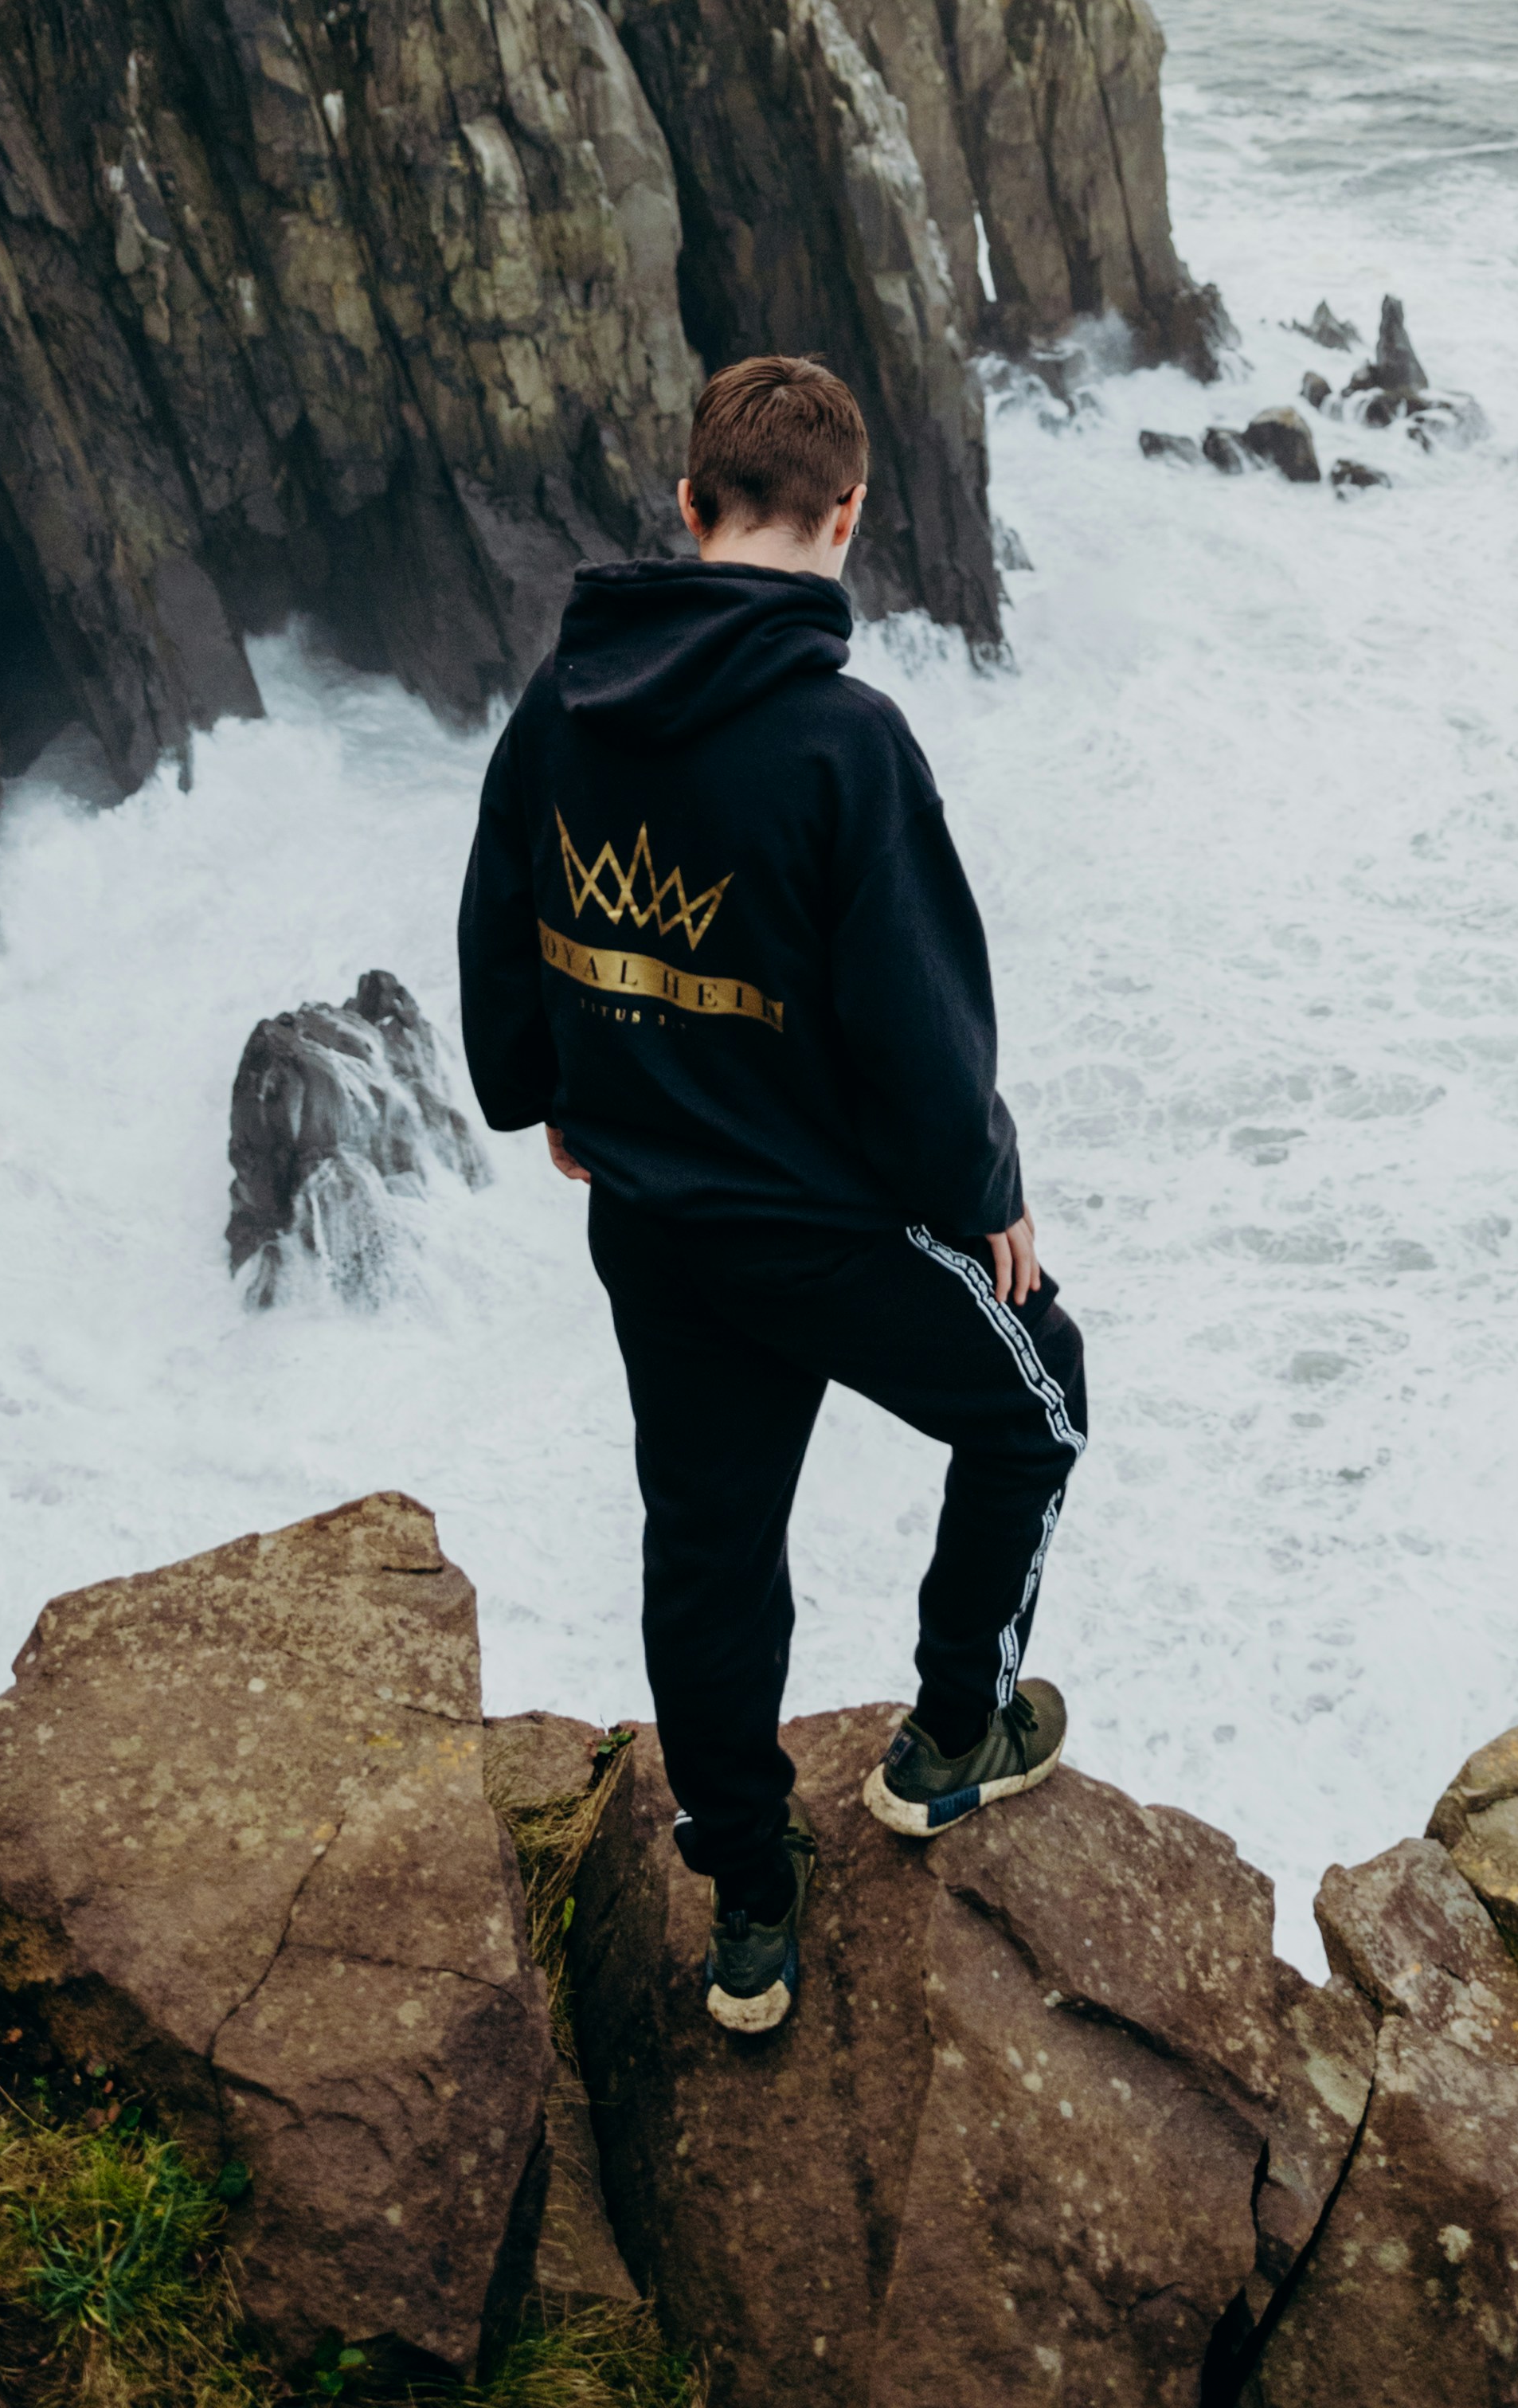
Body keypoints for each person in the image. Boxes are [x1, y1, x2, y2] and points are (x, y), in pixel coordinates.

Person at [456, 350, 1086, 2038]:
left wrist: (546, 1095)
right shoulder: (843, 741)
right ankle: (954, 1740)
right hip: (827, 1235)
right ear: (850, 518)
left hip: (652, 1227)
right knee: (1042, 1401)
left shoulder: (568, 694)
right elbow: (918, 1024)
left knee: (711, 1550)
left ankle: (748, 1906)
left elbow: (504, 902)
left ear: (690, 505)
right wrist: (983, 1191)